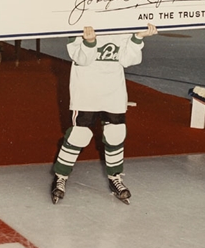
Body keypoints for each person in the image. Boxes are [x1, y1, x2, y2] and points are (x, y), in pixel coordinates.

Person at [50, 23, 158, 205]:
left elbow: (127, 60)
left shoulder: (120, 22)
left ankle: (115, 176)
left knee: (116, 133)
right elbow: (80, 58)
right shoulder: (78, 22)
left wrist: (137, 38)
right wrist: (90, 42)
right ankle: (61, 176)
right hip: (86, 89)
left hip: (113, 88)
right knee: (79, 134)